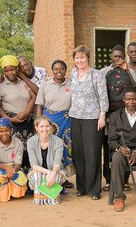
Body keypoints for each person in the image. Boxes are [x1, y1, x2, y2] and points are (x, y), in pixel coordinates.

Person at [69, 45, 109, 200]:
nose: (79, 60)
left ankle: (94, 189)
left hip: (92, 118)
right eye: (77, 58)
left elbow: (103, 96)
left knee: (92, 154)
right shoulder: (73, 73)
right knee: (78, 154)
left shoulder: (96, 75)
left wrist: (102, 116)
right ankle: (82, 187)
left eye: (82, 57)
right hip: (75, 117)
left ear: (88, 58)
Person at [100, 45, 136, 191]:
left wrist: (127, 70)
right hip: (109, 114)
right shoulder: (103, 72)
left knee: (126, 144)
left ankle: (125, 180)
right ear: (111, 57)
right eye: (115, 56)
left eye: (120, 56)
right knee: (109, 146)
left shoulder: (130, 70)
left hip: (124, 113)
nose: (118, 59)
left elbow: (135, 88)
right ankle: (109, 180)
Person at [35, 59, 74, 188]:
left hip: (66, 120)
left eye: (61, 68)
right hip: (49, 121)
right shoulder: (46, 85)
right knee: (49, 147)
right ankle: (48, 176)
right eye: (56, 69)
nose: (59, 71)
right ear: (52, 71)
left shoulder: (71, 84)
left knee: (64, 148)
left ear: (65, 70)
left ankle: (63, 178)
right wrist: (39, 122)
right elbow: (39, 104)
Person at [0, 55, 36, 173]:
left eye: (12, 69)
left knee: (29, 151)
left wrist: (27, 112)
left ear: (17, 69)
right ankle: (16, 180)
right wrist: (10, 119)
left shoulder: (23, 81)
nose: (10, 73)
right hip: (12, 123)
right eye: (6, 70)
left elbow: (34, 95)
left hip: (27, 122)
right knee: (15, 152)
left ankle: (30, 181)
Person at [27, 115, 66, 205]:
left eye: (47, 126)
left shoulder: (58, 141)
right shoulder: (31, 141)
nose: (45, 129)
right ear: (36, 128)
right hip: (38, 171)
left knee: (55, 177)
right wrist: (49, 173)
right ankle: (41, 200)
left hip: (55, 171)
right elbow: (34, 165)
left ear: (51, 127)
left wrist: (53, 173)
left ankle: (52, 199)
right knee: (38, 176)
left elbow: (57, 163)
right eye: (41, 126)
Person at [0, 118, 28, 202]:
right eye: (1, 131)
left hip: (14, 168)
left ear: (11, 130)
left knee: (22, 179)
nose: (4, 134)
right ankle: (4, 195)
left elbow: (18, 163)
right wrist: (6, 168)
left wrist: (13, 171)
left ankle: (14, 193)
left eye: (6, 131)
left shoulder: (18, 143)